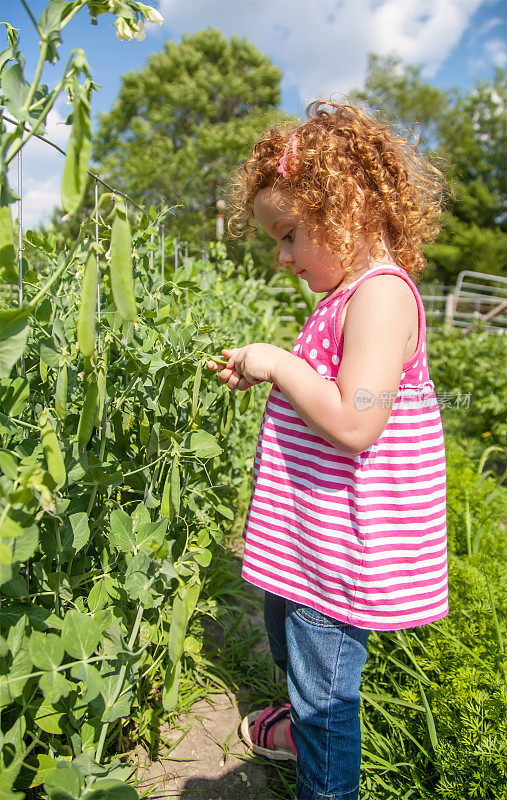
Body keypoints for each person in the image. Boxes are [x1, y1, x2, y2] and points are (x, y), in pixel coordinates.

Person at [206, 100, 448, 800]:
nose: (281, 258)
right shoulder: (343, 298)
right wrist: (269, 374)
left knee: (327, 692)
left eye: (287, 235)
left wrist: (279, 364)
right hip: (307, 540)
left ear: (346, 207)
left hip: (342, 552)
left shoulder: (381, 297)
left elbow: (354, 424)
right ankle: (296, 720)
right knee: (290, 647)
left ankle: (325, 777)